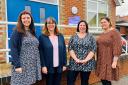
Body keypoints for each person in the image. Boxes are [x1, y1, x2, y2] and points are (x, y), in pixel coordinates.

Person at [10, 10, 42, 85]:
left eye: (28, 18)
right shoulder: (17, 32)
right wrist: (17, 65)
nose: (26, 20)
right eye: (23, 18)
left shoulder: (32, 31)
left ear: (31, 19)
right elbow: (13, 48)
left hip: (32, 65)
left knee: (30, 82)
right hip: (22, 65)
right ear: (20, 20)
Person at [67, 20, 97, 85]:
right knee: (70, 81)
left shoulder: (91, 37)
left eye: (84, 25)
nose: (82, 27)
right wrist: (76, 59)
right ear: (78, 26)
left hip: (87, 63)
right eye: (81, 25)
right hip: (74, 62)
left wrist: (85, 60)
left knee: (84, 82)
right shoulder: (73, 36)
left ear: (86, 27)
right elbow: (70, 48)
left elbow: (93, 49)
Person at [39, 17, 67, 85]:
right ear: (46, 25)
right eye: (49, 23)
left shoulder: (60, 36)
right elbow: (41, 52)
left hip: (59, 66)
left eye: (53, 23)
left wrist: (64, 64)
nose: (51, 25)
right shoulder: (42, 37)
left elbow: (64, 51)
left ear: (55, 24)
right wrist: (43, 66)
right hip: (48, 66)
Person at [96, 17, 122, 85]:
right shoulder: (103, 33)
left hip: (109, 59)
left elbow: (117, 46)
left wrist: (115, 61)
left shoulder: (115, 32)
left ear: (109, 22)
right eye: (101, 22)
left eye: (104, 22)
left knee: (107, 80)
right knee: (102, 78)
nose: (103, 24)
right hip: (102, 59)